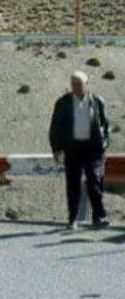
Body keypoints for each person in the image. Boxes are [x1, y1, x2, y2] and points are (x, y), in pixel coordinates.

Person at [49, 71, 110, 230]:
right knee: (73, 185)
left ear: (87, 84)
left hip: (95, 150)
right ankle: (73, 219)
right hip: (73, 150)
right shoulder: (63, 103)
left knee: (96, 182)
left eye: (79, 84)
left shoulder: (98, 101)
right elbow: (56, 127)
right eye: (73, 84)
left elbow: (105, 125)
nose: (76, 87)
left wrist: (104, 144)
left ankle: (98, 217)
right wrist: (56, 148)